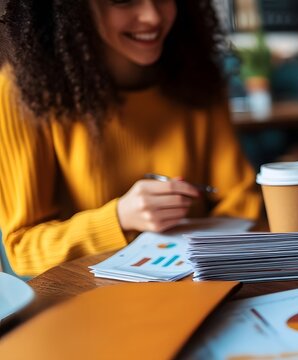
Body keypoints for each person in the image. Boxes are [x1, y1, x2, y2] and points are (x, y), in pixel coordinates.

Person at [0, 0, 261, 276]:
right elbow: (22, 248)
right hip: (86, 302)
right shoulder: (22, 92)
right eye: (124, 0)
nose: (152, 16)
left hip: (198, 284)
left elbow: (241, 200)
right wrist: (120, 218)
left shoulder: (198, 75)